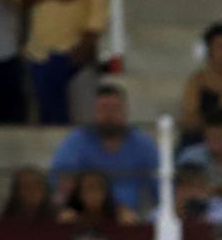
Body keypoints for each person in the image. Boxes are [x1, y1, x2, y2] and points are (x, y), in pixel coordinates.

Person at [49, 84, 158, 216]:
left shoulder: (143, 144)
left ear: (125, 112)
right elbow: (60, 180)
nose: (109, 115)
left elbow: (160, 186)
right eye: (103, 109)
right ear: (94, 112)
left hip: (130, 218)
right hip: (86, 215)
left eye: (114, 109)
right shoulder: (77, 140)